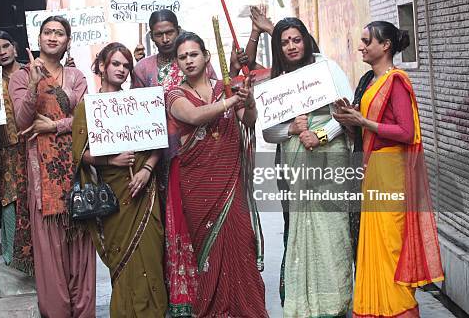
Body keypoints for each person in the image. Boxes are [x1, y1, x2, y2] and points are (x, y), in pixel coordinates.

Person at [333, 21, 444, 318]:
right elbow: (368, 129)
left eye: (367, 41)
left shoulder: (396, 81)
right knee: (376, 251)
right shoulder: (370, 81)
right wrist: (348, 118)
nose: (361, 46)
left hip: (391, 172)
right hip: (375, 170)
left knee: (391, 249)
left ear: (385, 46)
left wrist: (364, 122)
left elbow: (406, 132)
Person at [165, 32, 266, 317]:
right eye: (182, 57)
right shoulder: (174, 94)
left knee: (241, 243)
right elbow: (195, 117)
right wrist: (232, 101)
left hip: (230, 180)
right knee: (209, 251)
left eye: (193, 54)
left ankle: (249, 310)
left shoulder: (226, 87)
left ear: (206, 56)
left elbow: (249, 120)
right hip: (198, 184)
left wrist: (248, 101)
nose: (188, 61)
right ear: (177, 63)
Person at [262, 17, 353, 317]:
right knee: (301, 232)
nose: (291, 46)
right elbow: (267, 132)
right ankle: (305, 306)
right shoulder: (277, 83)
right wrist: (290, 129)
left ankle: (335, 304)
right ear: (278, 47)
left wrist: (321, 134)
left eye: (296, 39)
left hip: (329, 160)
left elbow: (347, 111)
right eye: (284, 41)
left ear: (306, 39)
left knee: (332, 231)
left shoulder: (326, 68)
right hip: (295, 164)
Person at [72, 42, 168, 317]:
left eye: (126, 66)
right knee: (123, 260)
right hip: (114, 195)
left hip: (144, 190)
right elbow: (80, 155)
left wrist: (146, 170)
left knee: (150, 255)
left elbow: (158, 145)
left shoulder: (138, 102)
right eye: (116, 64)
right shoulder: (87, 107)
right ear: (102, 66)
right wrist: (110, 161)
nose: (122, 70)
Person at [9, 16, 95, 317]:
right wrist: (34, 84)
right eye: (48, 32)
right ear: (39, 37)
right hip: (42, 179)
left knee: (82, 258)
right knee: (51, 260)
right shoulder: (21, 76)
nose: (53, 37)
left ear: (67, 40)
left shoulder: (76, 77)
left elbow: (88, 121)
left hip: (78, 174)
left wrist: (55, 126)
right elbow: (22, 121)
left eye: (60, 33)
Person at [131, 9, 216, 216]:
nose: (165, 39)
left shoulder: (196, 60)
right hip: (161, 154)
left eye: (170, 32)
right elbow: (137, 112)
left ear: (178, 30)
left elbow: (212, 96)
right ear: (151, 36)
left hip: (202, 148)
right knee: (172, 212)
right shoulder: (143, 69)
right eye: (159, 34)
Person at [0, 30, 31, 274]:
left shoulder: (29, 72)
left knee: (33, 198)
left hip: (32, 144)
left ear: (15, 47)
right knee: (10, 200)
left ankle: (36, 255)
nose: (2, 52)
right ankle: (11, 257)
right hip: (6, 149)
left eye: (6, 46)